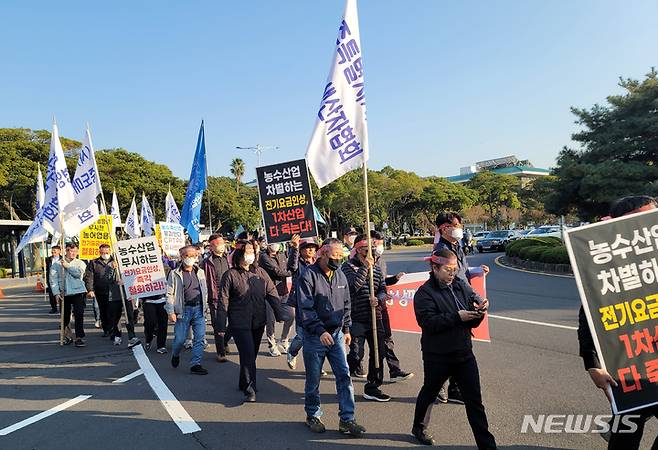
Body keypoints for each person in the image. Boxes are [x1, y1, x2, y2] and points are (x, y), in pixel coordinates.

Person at [578, 195, 658, 449]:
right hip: (629, 369)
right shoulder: (605, 268)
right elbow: (589, 318)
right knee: (626, 433)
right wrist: (593, 365)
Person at [411, 248, 496, 448]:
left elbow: (472, 322)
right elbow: (428, 323)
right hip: (437, 355)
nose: (452, 273)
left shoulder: (460, 285)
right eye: (447, 269)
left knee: (475, 401)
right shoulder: (424, 293)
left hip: (464, 352)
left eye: (454, 269)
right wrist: (457, 316)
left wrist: (479, 311)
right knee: (430, 392)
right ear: (435, 268)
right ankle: (419, 427)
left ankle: (487, 445)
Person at [298, 238, 366, 436]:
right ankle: (313, 414)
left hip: (336, 335)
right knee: (313, 379)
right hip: (314, 337)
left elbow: (346, 304)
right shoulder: (308, 276)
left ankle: (347, 419)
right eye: (335, 255)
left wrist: (346, 329)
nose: (338, 259)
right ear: (323, 253)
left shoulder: (340, 275)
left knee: (344, 376)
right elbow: (306, 308)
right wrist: (320, 331)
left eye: (341, 256)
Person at [434, 211, 490, 404]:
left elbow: (463, 270)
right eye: (455, 225)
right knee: (450, 346)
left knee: (461, 345)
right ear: (444, 228)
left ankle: (454, 388)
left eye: (459, 225)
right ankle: (438, 386)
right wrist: (476, 296)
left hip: (459, 298)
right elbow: (456, 277)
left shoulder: (456, 245)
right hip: (448, 301)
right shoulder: (441, 250)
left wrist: (477, 271)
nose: (459, 229)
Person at [217, 240, 282, 403]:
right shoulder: (230, 275)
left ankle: (243, 381)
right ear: (239, 254)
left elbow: (272, 292)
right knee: (247, 354)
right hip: (239, 322)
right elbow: (223, 301)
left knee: (250, 355)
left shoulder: (260, 272)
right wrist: (221, 326)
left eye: (253, 251)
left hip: (258, 321)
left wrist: (279, 312)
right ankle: (250, 389)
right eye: (247, 251)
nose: (251, 254)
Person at [342, 234, 390, 402]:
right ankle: (344, 378)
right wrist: (365, 268)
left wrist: (379, 299)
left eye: (372, 249)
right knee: (356, 354)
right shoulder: (346, 267)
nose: (369, 253)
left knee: (379, 353)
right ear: (357, 250)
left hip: (375, 317)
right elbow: (352, 287)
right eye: (365, 249)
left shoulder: (376, 269)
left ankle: (373, 386)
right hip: (356, 318)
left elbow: (383, 289)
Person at [373, 230, 414, 382]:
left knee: (386, 337)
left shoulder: (381, 261)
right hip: (364, 309)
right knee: (360, 347)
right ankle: (353, 365)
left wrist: (394, 279)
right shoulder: (357, 262)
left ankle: (394, 370)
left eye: (381, 243)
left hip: (380, 306)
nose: (379, 247)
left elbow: (382, 283)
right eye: (377, 243)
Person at [166, 245, 209, 375]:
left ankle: (196, 364)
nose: (190, 258)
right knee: (180, 339)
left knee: (199, 338)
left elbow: (204, 291)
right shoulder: (174, 273)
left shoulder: (200, 272)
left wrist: (205, 307)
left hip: (199, 309)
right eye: (187, 256)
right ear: (181, 256)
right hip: (183, 310)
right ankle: (175, 354)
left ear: (197, 256)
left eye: (193, 256)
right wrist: (170, 311)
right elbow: (169, 293)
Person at [286, 234, 319, 370]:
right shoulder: (297, 262)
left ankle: (316, 364)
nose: (311, 250)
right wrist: (294, 248)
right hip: (301, 303)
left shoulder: (319, 262)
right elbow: (291, 266)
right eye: (307, 247)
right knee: (301, 335)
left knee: (317, 334)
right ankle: (292, 352)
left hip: (317, 302)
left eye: (313, 247)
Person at [259, 240, 294, 356]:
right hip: (269, 293)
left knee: (291, 315)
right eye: (273, 243)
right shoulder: (264, 257)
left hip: (284, 291)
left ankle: (284, 339)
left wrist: (295, 248)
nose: (275, 244)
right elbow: (276, 272)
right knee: (270, 320)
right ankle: (271, 344)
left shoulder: (282, 254)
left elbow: (292, 265)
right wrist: (290, 273)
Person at [50, 243, 88, 347]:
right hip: (64, 292)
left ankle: (79, 337)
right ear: (65, 251)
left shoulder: (81, 263)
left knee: (79, 314)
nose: (72, 253)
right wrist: (56, 293)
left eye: (75, 251)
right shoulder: (57, 264)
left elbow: (78, 274)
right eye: (70, 251)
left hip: (78, 292)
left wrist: (67, 266)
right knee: (65, 316)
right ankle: (67, 336)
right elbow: (53, 280)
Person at [200, 234, 231, 362]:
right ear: (211, 246)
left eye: (223, 243)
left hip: (231, 295)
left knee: (234, 323)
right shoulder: (206, 263)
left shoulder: (228, 259)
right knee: (218, 325)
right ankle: (220, 352)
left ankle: (225, 341)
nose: (222, 246)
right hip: (215, 298)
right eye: (218, 244)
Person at [105, 259, 141, 349]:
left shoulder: (131, 263)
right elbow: (107, 279)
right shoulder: (110, 265)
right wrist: (112, 269)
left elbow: (138, 278)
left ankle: (131, 336)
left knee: (130, 315)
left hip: (128, 294)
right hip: (115, 295)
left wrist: (127, 282)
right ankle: (117, 334)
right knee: (116, 316)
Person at [84, 244, 114, 337]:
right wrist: (90, 290)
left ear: (110, 251)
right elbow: (89, 277)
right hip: (100, 291)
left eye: (107, 252)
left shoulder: (116, 261)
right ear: (99, 252)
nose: (105, 254)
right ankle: (106, 330)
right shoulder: (94, 263)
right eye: (102, 252)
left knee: (113, 311)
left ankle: (114, 329)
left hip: (114, 291)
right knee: (103, 311)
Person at [45, 245, 61, 314]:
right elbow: (46, 269)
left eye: (55, 250)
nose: (53, 251)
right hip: (51, 278)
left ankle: (62, 308)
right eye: (52, 250)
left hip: (60, 278)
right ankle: (54, 308)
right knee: (51, 294)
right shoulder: (48, 259)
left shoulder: (63, 258)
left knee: (60, 293)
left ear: (59, 251)